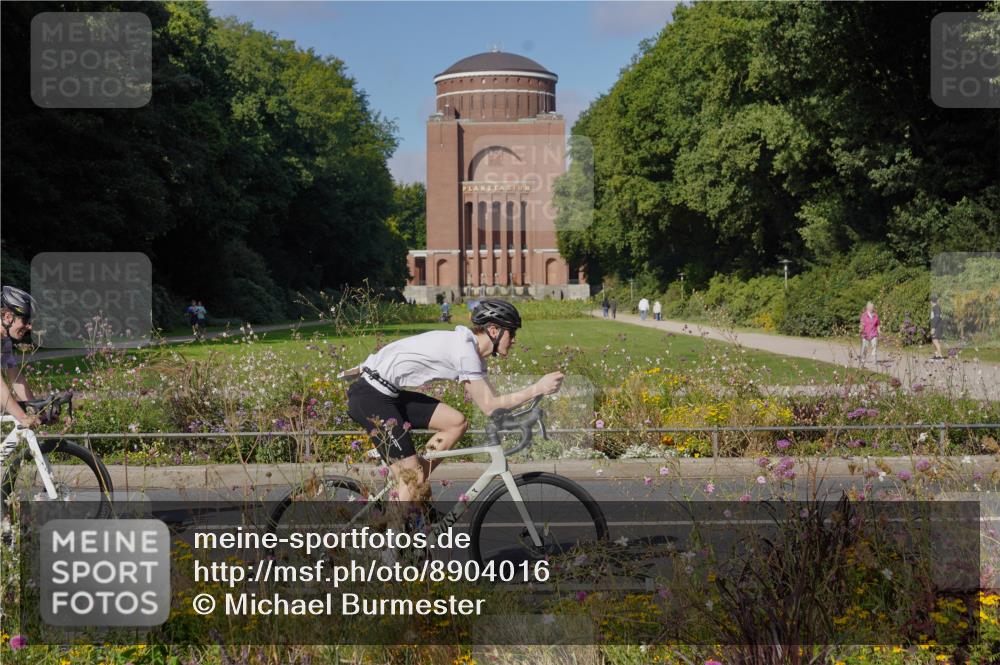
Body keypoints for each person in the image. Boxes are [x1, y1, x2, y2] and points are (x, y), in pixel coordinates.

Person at [344, 300, 563, 511]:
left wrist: (526, 409)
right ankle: (389, 546)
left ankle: (412, 489)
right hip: (370, 397)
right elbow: (490, 406)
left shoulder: (470, 350)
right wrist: (537, 388)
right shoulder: (465, 352)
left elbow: (495, 404)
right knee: (413, 477)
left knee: (456, 423)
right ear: (494, 331)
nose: (514, 340)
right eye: (512, 332)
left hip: (386, 393)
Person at [1, 286, 39, 428]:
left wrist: (36, 410)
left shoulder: (4, 341)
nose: (29, 326)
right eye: (25, 320)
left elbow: (16, 377)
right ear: (7, 317)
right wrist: (23, 417)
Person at [930, 295, 944, 359]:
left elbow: (936, 318)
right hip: (936, 326)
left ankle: (940, 356)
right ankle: (936, 355)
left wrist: (933, 328)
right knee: (934, 341)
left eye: (930, 301)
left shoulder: (936, 308)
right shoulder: (935, 308)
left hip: (937, 327)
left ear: (932, 301)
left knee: (935, 340)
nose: (930, 302)